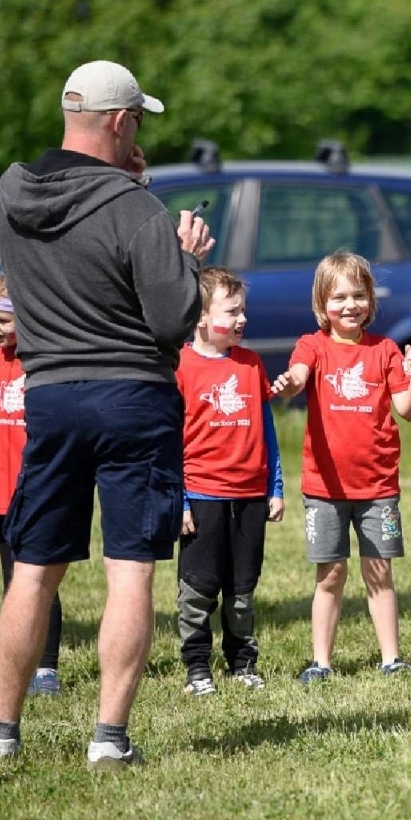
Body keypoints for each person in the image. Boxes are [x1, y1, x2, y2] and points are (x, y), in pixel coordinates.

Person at [0, 60, 210, 772]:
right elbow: (173, 318)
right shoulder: (136, 209)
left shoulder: (12, 193)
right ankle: (108, 739)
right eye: (138, 119)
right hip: (133, 395)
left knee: (34, 569)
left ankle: (1, 733)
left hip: (48, 394)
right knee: (129, 570)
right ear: (119, 121)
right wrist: (188, 258)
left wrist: (127, 185)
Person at [272, 252, 411, 681]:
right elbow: (299, 376)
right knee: (331, 573)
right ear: (322, 304)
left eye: (358, 295)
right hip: (324, 488)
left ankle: (391, 659)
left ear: (370, 300)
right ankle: (321, 662)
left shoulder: (386, 350)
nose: (349, 305)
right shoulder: (313, 345)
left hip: (378, 487)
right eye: (339, 297)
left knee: (379, 571)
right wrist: (288, 384)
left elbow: (407, 411)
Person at [175, 267, 284, 696]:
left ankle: (242, 662)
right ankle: (197, 668)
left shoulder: (251, 363)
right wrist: (180, 500)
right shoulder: (181, 367)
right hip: (201, 495)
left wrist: (274, 487)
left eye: (244, 311)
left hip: (250, 497)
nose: (242, 319)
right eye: (232, 311)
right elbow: (170, 441)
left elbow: (267, 430)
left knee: (242, 588)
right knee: (199, 588)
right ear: (200, 317)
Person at [0, 275, 62, 695]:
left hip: (39, 486)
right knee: (13, 576)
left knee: (41, 576)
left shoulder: (44, 362)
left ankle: (47, 666)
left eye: (4, 320)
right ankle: (19, 657)